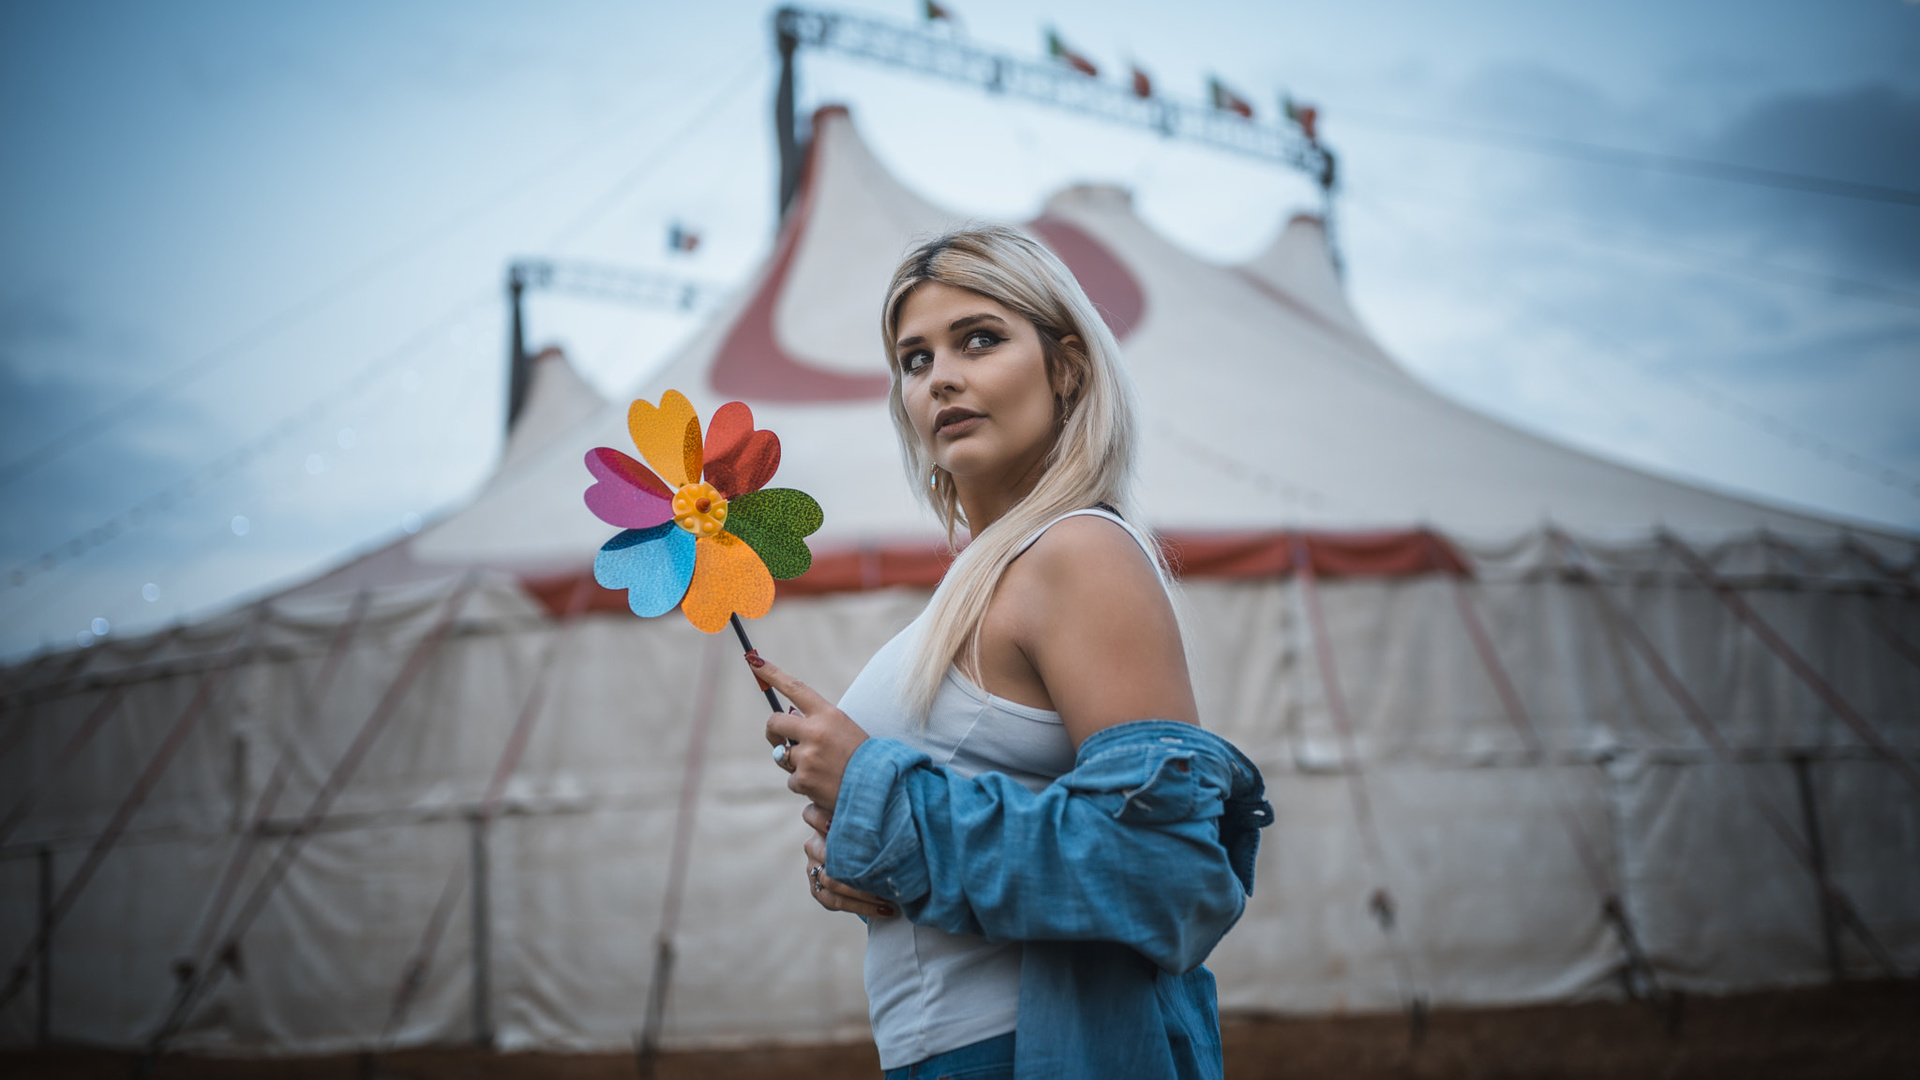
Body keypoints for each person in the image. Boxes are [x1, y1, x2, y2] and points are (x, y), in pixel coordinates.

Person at [748, 225, 1272, 1080]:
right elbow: (964, 838)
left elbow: (1164, 869)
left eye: (979, 339)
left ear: (1068, 366)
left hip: (1037, 1052)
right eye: (914, 361)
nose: (940, 377)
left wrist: (881, 798)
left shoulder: (1080, 554)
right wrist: (868, 862)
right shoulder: (982, 583)